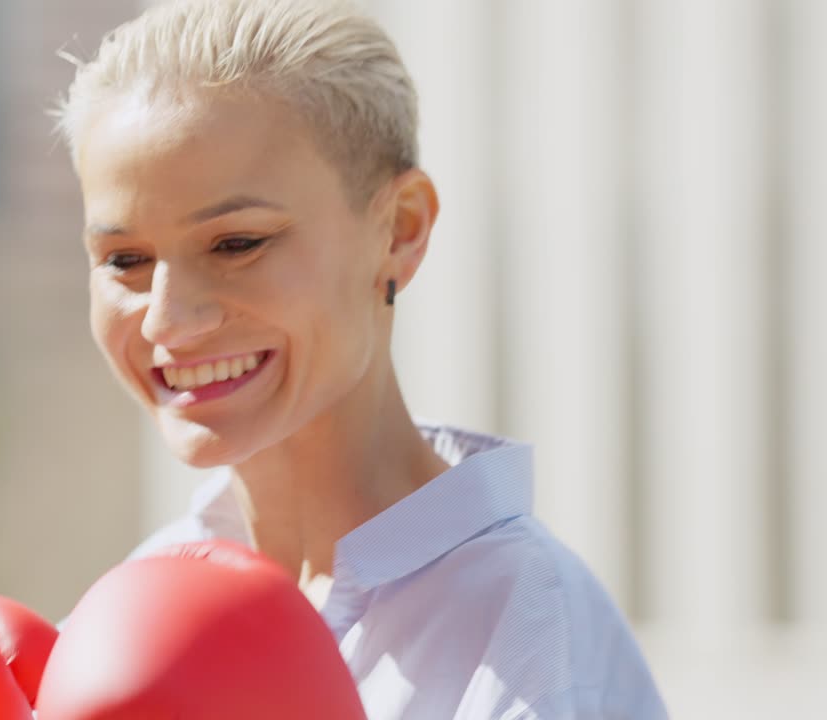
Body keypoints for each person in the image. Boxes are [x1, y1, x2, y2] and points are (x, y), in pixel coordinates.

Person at [54, 0, 669, 717]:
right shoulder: (127, 609)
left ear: (399, 231)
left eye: (236, 244)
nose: (167, 319)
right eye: (124, 259)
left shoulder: (528, 630)